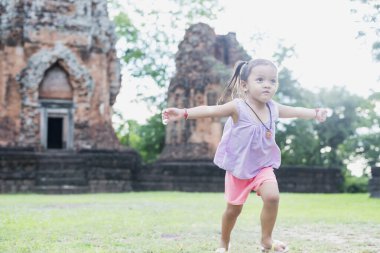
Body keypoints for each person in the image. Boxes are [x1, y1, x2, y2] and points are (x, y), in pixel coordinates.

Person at [161, 59, 328, 253]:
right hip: (238, 169)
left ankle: (266, 240)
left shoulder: (273, 108)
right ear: (244, 85)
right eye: (260, 80)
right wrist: (183, 113)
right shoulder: (238, 107)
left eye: (272, 81)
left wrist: (315, 113)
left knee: (272, 197)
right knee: (233, 210)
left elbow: (296, 111)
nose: (267, 84)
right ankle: (224, 243)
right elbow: (210, 110)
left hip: (263, 166)